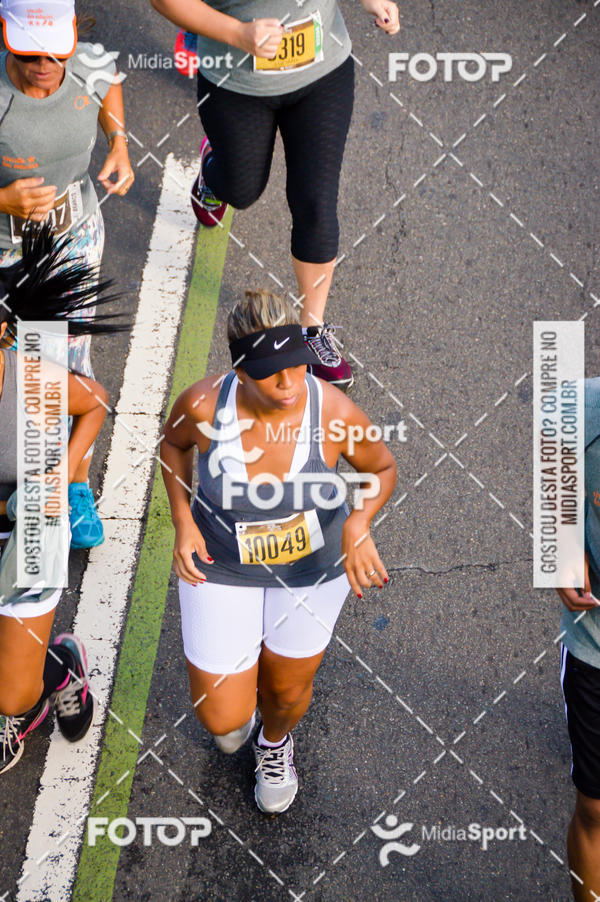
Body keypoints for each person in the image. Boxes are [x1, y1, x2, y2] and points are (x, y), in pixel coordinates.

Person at [161, 289, 396, 813]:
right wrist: (182, 522)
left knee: (287, 693)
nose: (290, 383)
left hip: (313, 569)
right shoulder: (201, 405)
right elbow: (172, 446)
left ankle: (274, 744)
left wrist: (358, 523)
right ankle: (241, 701)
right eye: (272, 372)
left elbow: (381, 468)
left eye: (296, 364)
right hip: (221, 563)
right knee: (222, 723)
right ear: (240, 373)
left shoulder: (331, 407)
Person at [150, 0, 400, 391]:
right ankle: (213, 176)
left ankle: (312, 332)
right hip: (235, 81)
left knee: (316, 204)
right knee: (242, 189)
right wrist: (238, 34)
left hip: (324, 72)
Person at [0, 0, 134, 548]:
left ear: (73, 33)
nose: (43, 63)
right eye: (27, 52)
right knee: (21, 374)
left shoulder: (88, 62)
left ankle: (71, 481)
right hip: (6, 258)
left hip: (72, 238)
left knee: (67, 365)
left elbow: (110, 87)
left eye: (55, 50)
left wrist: (120, 142)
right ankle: (14, 486)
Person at [0, 222, 128, 774]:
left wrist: (64, 472)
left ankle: (57, 672)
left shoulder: (30, 376)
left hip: (30, 520)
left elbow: (95, 401)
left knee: (11, 694)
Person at [557, 378, 600, 901]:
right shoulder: (576, 410)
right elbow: (557, 504)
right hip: (594, 646)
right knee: (594, 807)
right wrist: (562, 551)